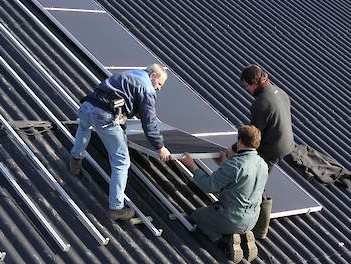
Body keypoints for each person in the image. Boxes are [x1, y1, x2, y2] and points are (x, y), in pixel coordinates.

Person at [68, 64, 171, 221]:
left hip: (87, 106)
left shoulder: (128, 74)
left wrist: (120, 132)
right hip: (104, 116)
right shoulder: (147, 88)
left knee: (84, 128)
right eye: (159, 84)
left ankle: (75, 160)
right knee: (121, 162)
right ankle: (116, 208)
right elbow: (149, 122)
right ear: (152, 76)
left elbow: (118, 101)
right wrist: (160, 146)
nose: (158, 89)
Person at [223, 64, 295, 239]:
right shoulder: (279, 91)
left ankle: (260, 227)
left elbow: (253, 136)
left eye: (246, 86)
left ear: (253, 83)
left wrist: (233, 150)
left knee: (256, 180)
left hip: (273, 147)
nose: (246, 90)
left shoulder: (260, 103)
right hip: (286, 143)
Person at [180, 125, 268, 263]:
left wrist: (192, 165)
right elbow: (240, 181)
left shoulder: (235, 164)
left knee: (197, 216)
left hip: (230, 218)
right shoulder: (263, 164)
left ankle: (224, 240)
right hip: (252, 219)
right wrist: (223, 164)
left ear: (240, 141)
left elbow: (209, 186)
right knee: (232, 220)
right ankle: (242, 236)